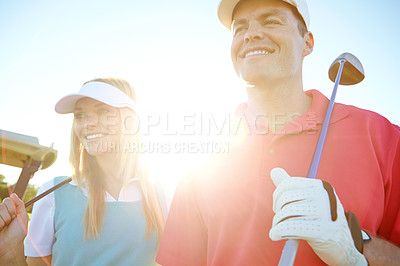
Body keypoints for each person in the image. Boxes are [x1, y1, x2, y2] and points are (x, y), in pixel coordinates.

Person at [156, 0, 400, 265]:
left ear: (307, 42)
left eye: (271, 21)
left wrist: (355, 244)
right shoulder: (204, 155)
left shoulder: (381, 136)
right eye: (239, 29)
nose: (251, 34)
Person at [0, 78, 166, 265]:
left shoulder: (164, 194)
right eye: (80, 115)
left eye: (103, 111)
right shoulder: (52, 195)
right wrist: (11, 253)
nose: (88, 123)